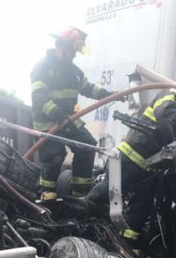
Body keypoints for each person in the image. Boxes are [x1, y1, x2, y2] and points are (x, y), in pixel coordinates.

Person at [85, 71, 176, 244]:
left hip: (149, 168)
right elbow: (166, 121)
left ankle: (126, 246)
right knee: (105, 195)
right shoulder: (172, 96)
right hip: (129, 159)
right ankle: (76, 225)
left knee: (140, 210)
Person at [30, 27, 120, 200]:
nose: (74, 55)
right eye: (72, 51)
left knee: (87, 146)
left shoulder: (75, 72)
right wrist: (59, 116)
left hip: (69, 119)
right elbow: (39, 98)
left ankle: (80, 195)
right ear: (60, 46)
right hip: (48, 123)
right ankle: (47, 196)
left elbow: (89, 89)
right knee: (55, 155)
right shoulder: (42, 67)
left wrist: (109, 95)